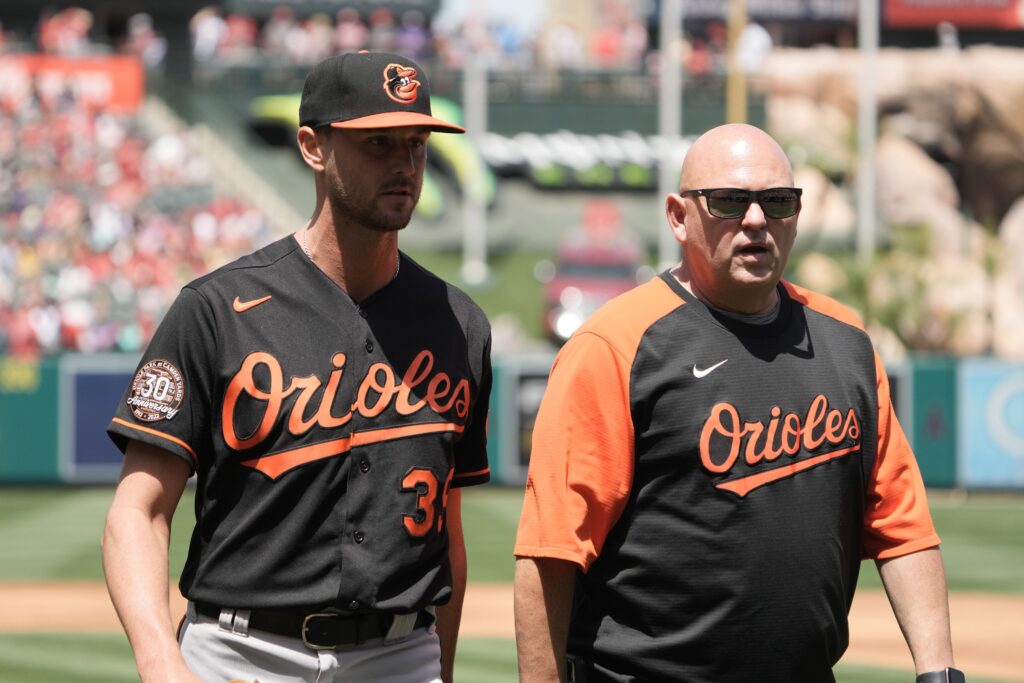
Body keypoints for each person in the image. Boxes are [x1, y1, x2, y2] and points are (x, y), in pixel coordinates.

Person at [513, 123, 963, 683]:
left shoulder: (846, 341)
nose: (756, 220)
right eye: (728, 202)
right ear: (679, 217)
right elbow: (551, 549)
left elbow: (902, 525)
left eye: (777, 202)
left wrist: (939, 671)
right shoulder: (617, 345)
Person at [102, 51, 492, 683]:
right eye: (378, 143)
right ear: (313, 147)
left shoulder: (460, 324)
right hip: (240, 653)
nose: (404, 163)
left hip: (401, 655)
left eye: (417, 143)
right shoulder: (216, 309)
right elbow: (138, 510)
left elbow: (446, 528)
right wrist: (158, 658)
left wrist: (441, 668)